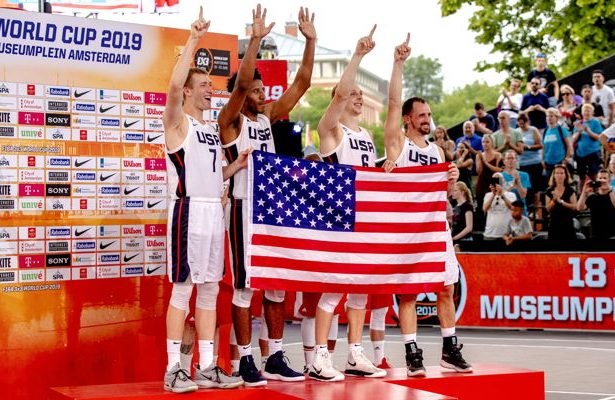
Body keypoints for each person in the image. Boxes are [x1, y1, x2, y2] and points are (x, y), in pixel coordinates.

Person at [218, 5, 316, 386]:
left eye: (262, 90)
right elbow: (241, 86)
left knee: (275, 286)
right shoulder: (230, 121)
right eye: (257, 91)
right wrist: (255, 41)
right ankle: (245, 359)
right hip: (242, 209)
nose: (262, 94)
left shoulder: (265, 119)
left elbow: (302, 84)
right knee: (246, 287)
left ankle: (274, 355)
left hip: (272, 211)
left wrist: (311, 42)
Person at [161, 7, 247, 392]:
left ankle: (207, 366)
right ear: (188, 90)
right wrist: (193, 39)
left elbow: (213, 176)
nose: (210, 89)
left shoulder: (210, 128)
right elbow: (171, 87)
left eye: (211, 84)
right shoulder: (177, 122)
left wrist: (235, 166)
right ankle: (173, 369)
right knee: (183, 288)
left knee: (210, 287)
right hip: (188, 211)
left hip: (214, 211)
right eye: (203, 84)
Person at [383, 35, 471, 377]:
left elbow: (443, 194)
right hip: (407, 230)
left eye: (429, 114)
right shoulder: (398, 144)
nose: (427, 119)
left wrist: (451, 179)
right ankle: (412, 353)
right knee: (408, 294)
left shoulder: (436, 151)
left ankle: (450, 349)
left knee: (446, 287)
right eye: (421, 115)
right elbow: (393, 103)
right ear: (408, 119)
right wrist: (398, 64)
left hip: (435, 227)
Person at [308, 26, 386, 382]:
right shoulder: (331, 130)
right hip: (338, 218)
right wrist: (358, 56)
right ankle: (319, 357)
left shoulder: (366, 135)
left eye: (360, 93)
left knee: (359, 292)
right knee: (333, 290)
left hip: (365, 219)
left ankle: (355, 354)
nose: (357, 96)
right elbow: (340, 92)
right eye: (352, 93)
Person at [576, 169, 615, 239]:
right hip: (595, 234)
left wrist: (609, 189)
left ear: (609, 181)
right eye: (600, 178)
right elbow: (579, 208)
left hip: (611, 235)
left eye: (604, 178)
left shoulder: (612, 194)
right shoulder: (593, 197)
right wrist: (584, 192)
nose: (602, 180)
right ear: (597, 180)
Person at [517, 112, 544, 211]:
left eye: (523, 123)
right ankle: (527, 209)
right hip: (522, 163)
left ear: (527, 122)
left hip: (534, 162)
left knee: (535, 188)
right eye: (520, 123)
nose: (521, 126)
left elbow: (540, 145)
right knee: (525, 188)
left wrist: (528, 147)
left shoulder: (533, 130)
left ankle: (537, 210)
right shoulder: (517, 132)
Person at [474, 135, 502, 229]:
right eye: (483, 142)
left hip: (494, 182)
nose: (485, 144)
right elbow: (479, 171)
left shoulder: (498, 155)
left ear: (492, 143)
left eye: (487, 142)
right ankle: (481, 228)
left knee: (494, 204)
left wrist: (485, 162)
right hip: (482, 182)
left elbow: (499, 170)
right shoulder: (479, 156)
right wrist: (481, 160)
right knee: (481, 206)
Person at [572, 103, 604, 186]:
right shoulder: (579, 123)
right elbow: (573, 139)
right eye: (585, 111)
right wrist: (579, 132)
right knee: (581, 176)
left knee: (593, 174)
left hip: (593, 152)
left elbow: (598, 137)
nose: (586, 112)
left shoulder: (596, 122)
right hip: (580, 153)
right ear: (582, 113)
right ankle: (582, 192)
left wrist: (588, 131)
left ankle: (596, 191)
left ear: (592, 113)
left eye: (589, 111)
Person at [544, 165, 577, 241]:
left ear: (565, 175)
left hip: (568, 223)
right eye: (557, 173)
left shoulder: (570, 190)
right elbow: (547, 209)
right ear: (554, 175)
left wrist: (561, 202)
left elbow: (574, 206)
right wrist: (554, 200)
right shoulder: (549, 190)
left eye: (562, 173)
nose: (559, 175)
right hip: (554, 223)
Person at [483, 173, 517, 240]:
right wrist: (493, 195)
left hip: (506, 234)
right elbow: (484, 209)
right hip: (490, 233)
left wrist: (502, 195)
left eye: (498, 180)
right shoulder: (488, 195)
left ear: (503, 182)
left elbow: (512, 207)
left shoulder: (511, 195)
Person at [542, 108, 574, 182]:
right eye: (547, 116)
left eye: (551, 116)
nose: (549, 118)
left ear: (556, 118)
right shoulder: (546, 131)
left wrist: (567, 158)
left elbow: (568, 145)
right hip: (548, 163)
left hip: (560, 162)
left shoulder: (561, 129)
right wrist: (542, 159)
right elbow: (544, 147)